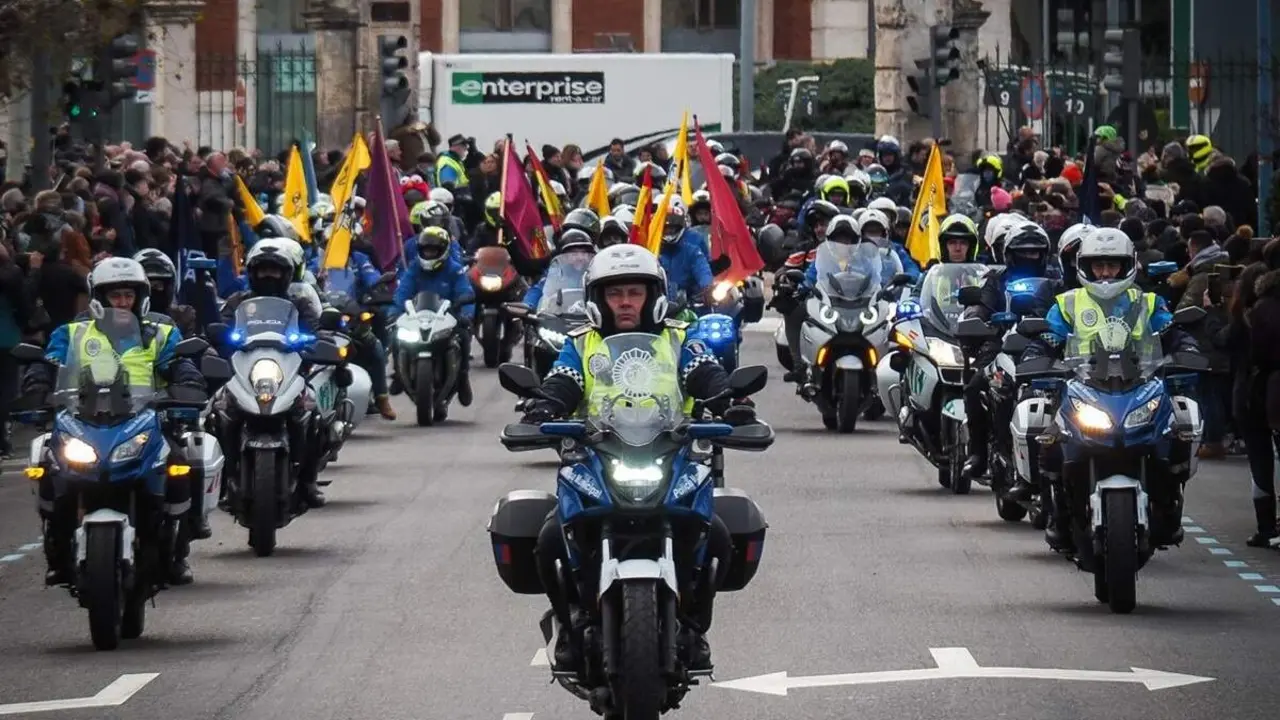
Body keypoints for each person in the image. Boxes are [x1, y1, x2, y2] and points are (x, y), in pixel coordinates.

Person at [520, 244, 750, 673]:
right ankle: (569, 627)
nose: (625, 302)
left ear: (653, 296)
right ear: (597, 299)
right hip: (595, 457)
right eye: (615, 293)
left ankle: (695, 626)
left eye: (634, 292)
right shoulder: (582, 344)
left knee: (717, 533)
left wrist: (729, 400)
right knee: (549, 536)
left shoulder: (679, 339)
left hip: (669, 454)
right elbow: (563, 381)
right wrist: (544, 407)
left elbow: (702, 371)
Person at [24, 257, 205, 586]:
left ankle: (177, 548)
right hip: (84, 419)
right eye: (115, 296)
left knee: (181, 463)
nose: (122, 302)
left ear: (140, 297)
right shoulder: (73, 332)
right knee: (49, 464)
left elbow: (180, 363)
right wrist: (37, 384)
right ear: (99, 297)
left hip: (146, 418)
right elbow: (48, 363)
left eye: (128, 295)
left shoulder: (160, 331)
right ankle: (57, 547)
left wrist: (188, 382)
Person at [1024, 228, 1199, 551]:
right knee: (1048, 438)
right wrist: (1036, 354)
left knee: (1177, 430)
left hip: (1139, 385)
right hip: (1084, 387)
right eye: (1098, 265)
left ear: (1128, 265)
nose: (1105, 273)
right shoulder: (1068, 303)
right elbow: (1048, 337)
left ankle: (1169, 505)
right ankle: (1056, 511)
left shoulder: (1147, 302)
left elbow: (1170, 331)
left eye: (1113, 265)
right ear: (1086, 267)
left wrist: (1187, 347)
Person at [218, 239, 328, 508]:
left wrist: (313, 340)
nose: (269, 276)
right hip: (245, 370)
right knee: (216, 413)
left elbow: (315, 330)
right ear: (253, 273)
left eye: (275, 271)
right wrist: (218, 338)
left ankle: (308, 480)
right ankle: (224, 479)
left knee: (315, 415)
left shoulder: (299, 303)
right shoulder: (236, 302)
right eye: (263, 270)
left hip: (287, 370)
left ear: (287, 274)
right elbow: (220, 328)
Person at [960, 223, 1059, 482]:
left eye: (1035, 253)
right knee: (974, 386)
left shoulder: (1054, 281)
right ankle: (978, 453)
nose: (1029, 257)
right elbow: (982, 307)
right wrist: (977, 319)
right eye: (1023, 252)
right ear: (1009, 254)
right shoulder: (996, 280)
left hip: (1045, 343)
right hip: (1001, 342)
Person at [391, 226, 476, 406]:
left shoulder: (455, 270)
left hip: (447, 318)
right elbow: (402, 293)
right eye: (426, 250)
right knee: (395, 336)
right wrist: (395, 313)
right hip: (417, 318)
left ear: (443, 250)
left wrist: (466, 312)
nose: (429, 254)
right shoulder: (414, 268)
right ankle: (398, 373)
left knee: (464, 336)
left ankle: (462, 376)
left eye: (433, 250)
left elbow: (465, 291)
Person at [657, 204, 714, 304]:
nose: (669, 232)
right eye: (666, 229)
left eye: (672, 229)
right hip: (659, 304)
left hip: (688, 304)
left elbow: (702, 269)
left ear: (681, 228)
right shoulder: (652, 252)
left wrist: (707, 287)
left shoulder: (692, 251)